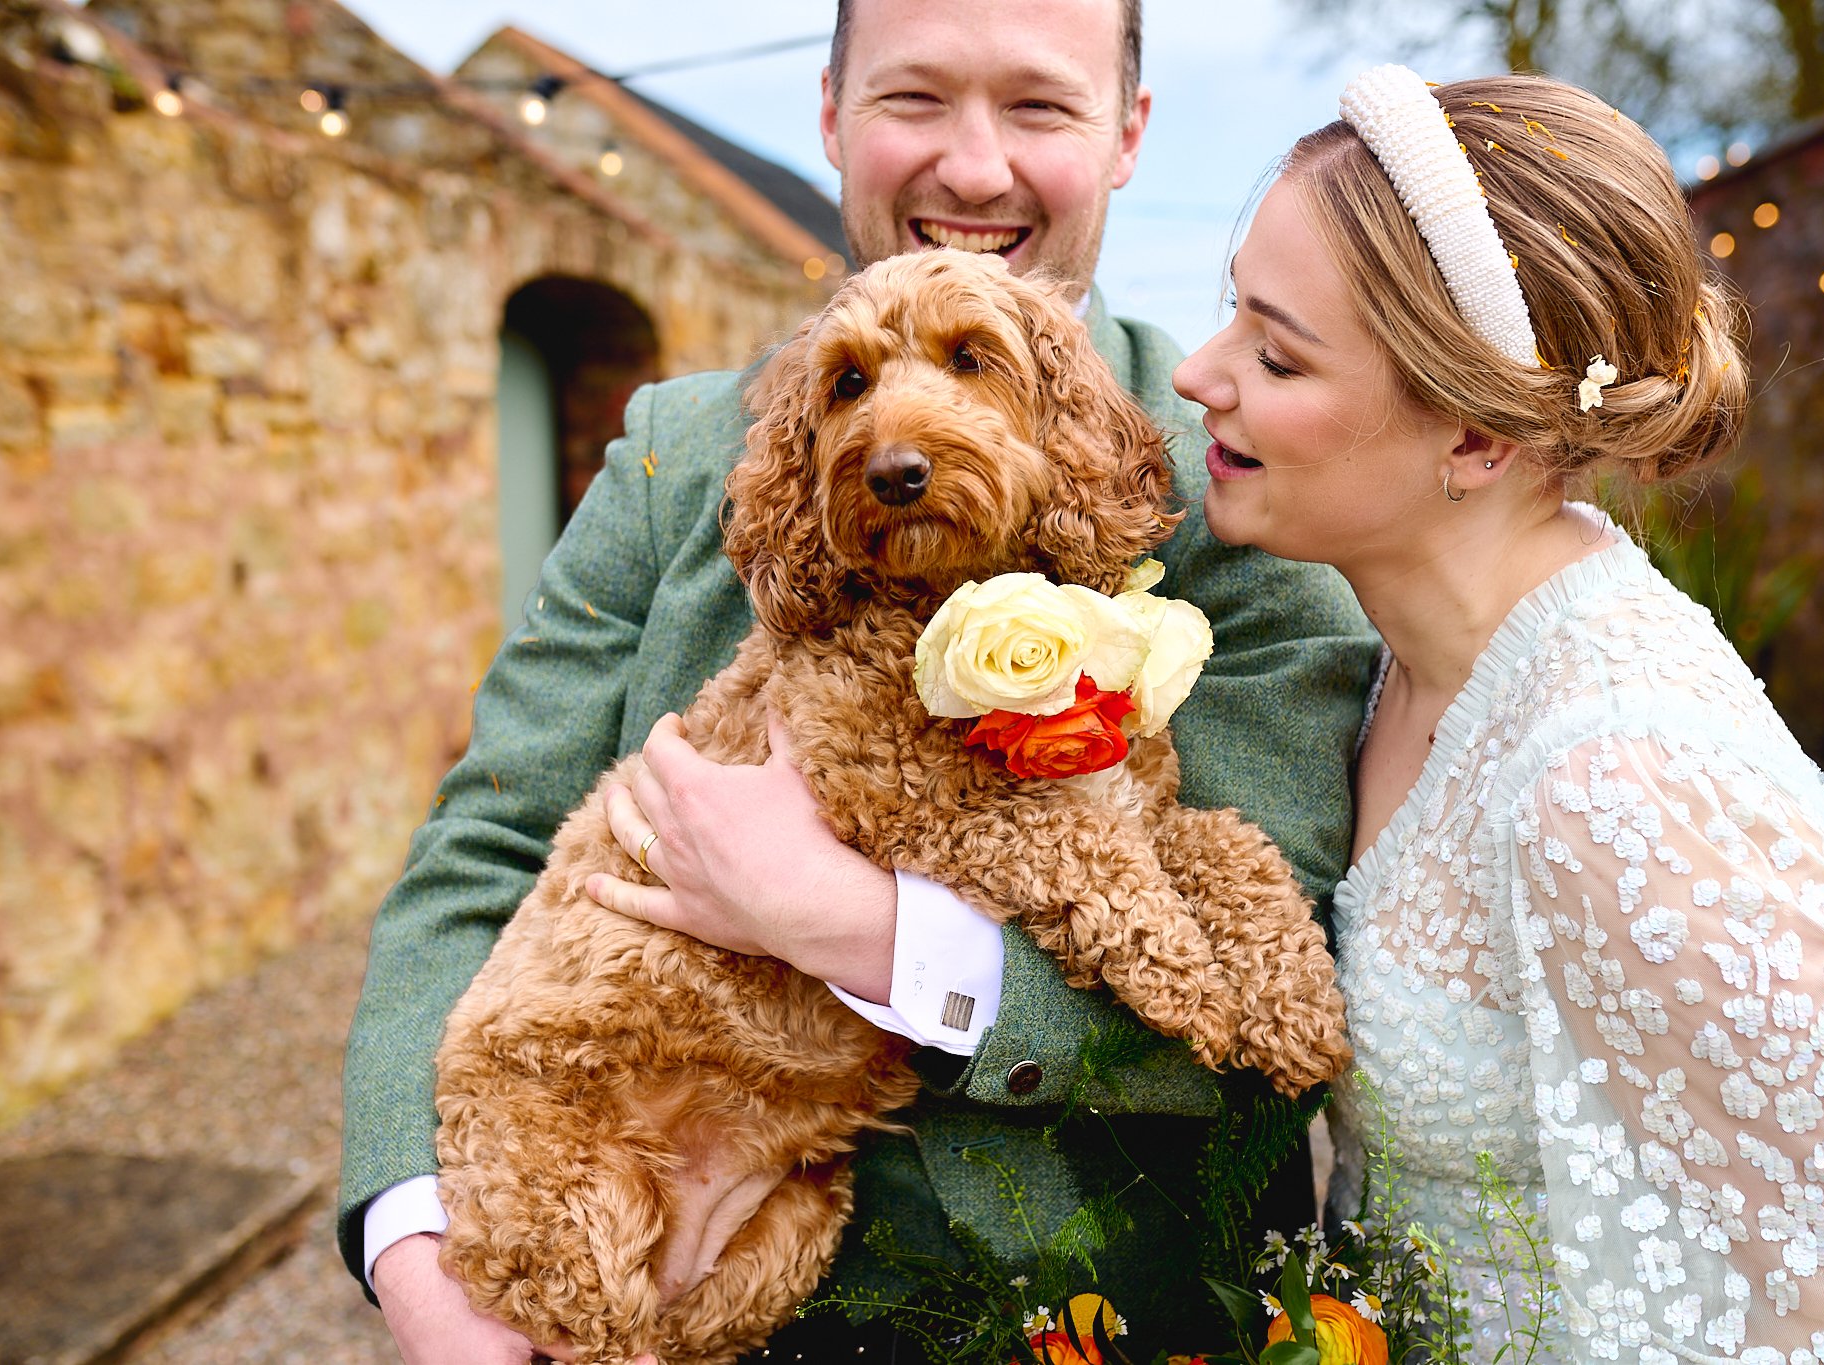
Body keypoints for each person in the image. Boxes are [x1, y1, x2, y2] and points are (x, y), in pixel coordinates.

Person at [339, 2, 1377, 1361]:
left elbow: (1298, 958)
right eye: (915, 100)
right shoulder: (677, 451)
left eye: (1039, 108)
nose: (974, 167)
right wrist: (421, 1255)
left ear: (1127, 134)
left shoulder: (1233, 467)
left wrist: (862, 927)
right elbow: (479, 850)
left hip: (1091, 1320)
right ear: (829, 113)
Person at [1172, 65, 1824, 1364]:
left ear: (1478, 442)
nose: (1204, 374)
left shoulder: (1620, 772)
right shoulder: (1408, 652)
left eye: (1275, 351)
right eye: (1231, 317)